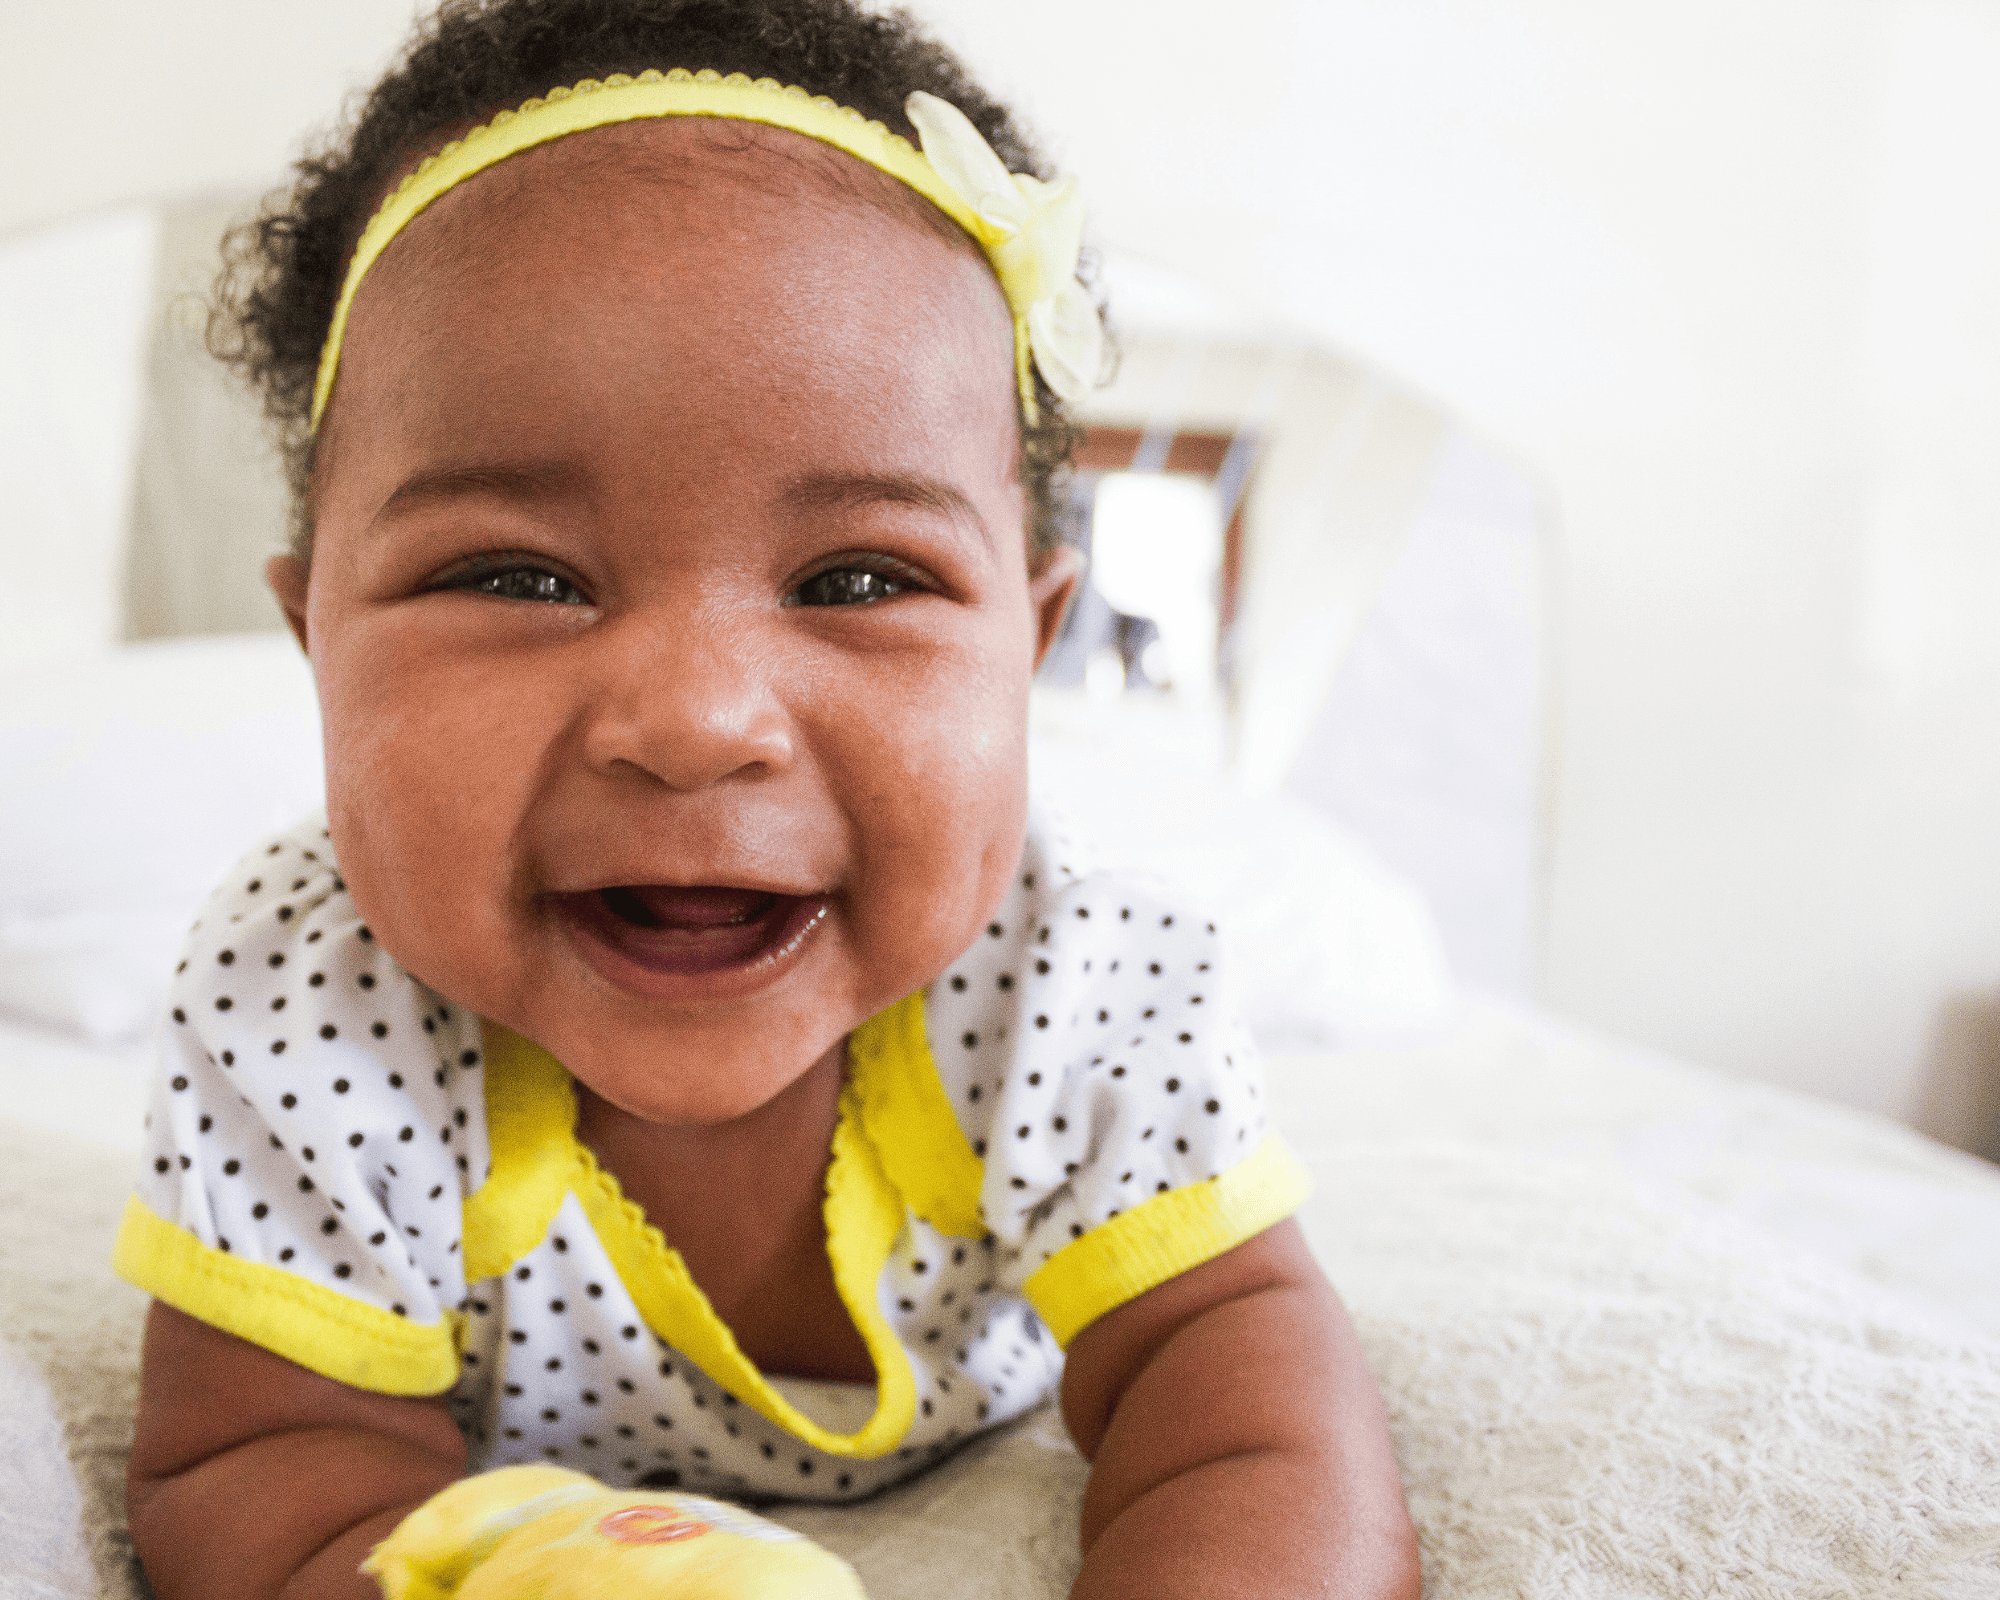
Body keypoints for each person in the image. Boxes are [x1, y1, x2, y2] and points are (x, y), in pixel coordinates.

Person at [114, 2, 1420, 1595]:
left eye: (859, 576)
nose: (694, 724)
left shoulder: (1078, 980)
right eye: (516, 575)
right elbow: (263, 1468)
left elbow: (1242, 1408)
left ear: (1032, 646)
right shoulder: (304, 1003)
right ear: (319, 638)